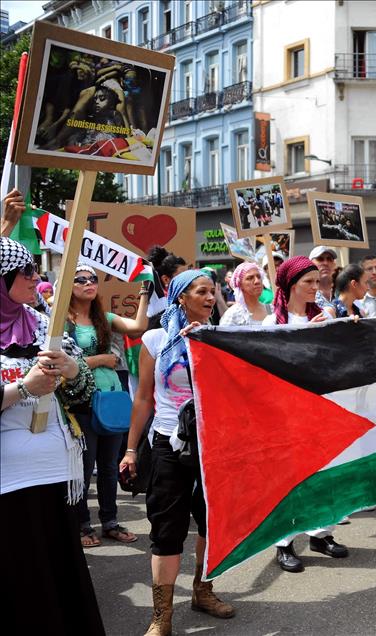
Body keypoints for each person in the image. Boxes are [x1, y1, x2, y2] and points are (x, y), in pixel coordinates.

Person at [120, 270, 235, 635]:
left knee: (211, 525)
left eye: (212, 292)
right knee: (167, 530)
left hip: (213, 445)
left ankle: (203, 591)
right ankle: (161, 616)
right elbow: (142, 400)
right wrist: (130, 450)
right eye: (201, 291)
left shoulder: (222, 338)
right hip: (169, 444)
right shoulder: (155, 340)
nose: (208, 297)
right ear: (181, 297)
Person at [1, 237, 104, 635]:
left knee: (59, 572)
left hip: (56, 471)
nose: (34, 277)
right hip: (9, 481)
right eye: (24, 272)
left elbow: (85, 387)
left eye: (33, 269)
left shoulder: (43, 321)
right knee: (22, 577)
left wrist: (72, 370)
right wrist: (23, 389)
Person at [261, 257, 349, 572]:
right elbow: (267, 370)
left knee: (325, 475)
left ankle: (321, 534)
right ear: (290, 286)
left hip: (323, 408)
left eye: (317, 281)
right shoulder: (273, 324)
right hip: (286, 413)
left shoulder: (325, 316)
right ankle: (284, 543)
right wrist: (301, 340)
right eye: (308, 282)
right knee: (289, 480)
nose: (315, 287)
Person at [68, 264, 149, 548]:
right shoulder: (62, 322)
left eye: (93, 279)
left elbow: (138, 327)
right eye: (80, 279)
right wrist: (100, 360)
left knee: (109, 467)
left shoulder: (105, 317)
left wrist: (144, 292)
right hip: (81, 403)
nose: (89, 283)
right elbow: (62, 362)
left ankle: (110, 522)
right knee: (84, 466)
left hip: (111, 399)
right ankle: (82, 525)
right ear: (69, 283)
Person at [309, 245, 338, 315]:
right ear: (310, 264)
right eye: (320, 259)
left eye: (329, 259)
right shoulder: (306, 294)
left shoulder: (343, 290)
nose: (325, 263)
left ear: (334, 264)